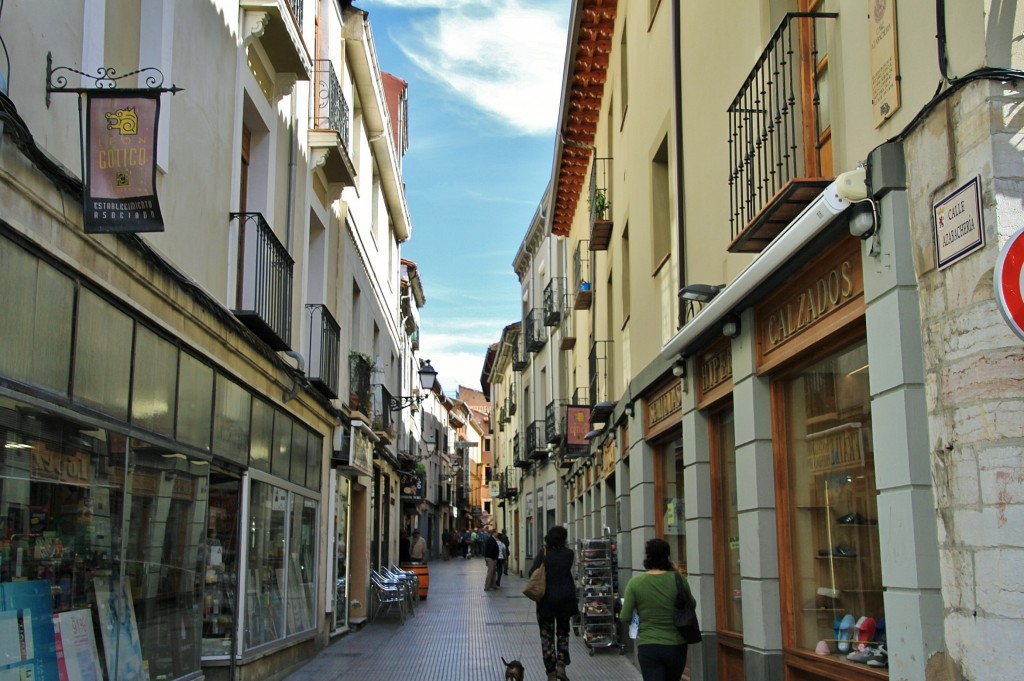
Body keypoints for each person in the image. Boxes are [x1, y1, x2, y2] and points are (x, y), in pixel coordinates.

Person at [619, 538, 697, 681]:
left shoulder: (635, 584)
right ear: (667, 557)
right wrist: (675, 573)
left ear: (647, 556)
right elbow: (692, 605)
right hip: (676, 645)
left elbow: (624, 617)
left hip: (649, 646)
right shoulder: (678, 579)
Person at [528, 526, 579, 681]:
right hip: (565, 600)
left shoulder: (543, 554)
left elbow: (532, 573)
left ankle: (551, 672)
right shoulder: (569, 554)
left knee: (546, 637)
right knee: (563, 633)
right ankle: (561, 665)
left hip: (546, 601)